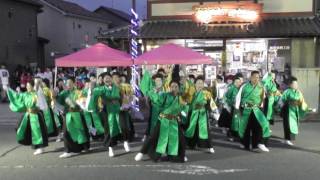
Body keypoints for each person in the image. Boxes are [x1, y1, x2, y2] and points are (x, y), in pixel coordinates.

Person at [135, 69, 188, 163]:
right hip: (163, 120)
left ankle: (180, 155)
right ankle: (142, 152)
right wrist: (154, 93)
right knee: (153, 137)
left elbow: (184, 107)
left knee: (181, 139)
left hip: (174, 121)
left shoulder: (181, 98)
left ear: (179, 88)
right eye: (172, 86)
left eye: (176, 87)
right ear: (169, 87)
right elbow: (158, 101)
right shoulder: (165, 95)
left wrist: (183, 77)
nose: (174, 88)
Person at [90, 72, 131, 157]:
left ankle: (125, 142)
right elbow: (94, 96)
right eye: (105, 78)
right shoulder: (101, 89)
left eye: (108, 77)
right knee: (109, 131)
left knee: (123, 127)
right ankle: (110, 148)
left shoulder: (118, 88)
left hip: (119, 110)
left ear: (111, 79)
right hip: (108, 111)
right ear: (103, 80)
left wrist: (125, 105)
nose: (107, 79)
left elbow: (124, 97)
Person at [5, 80, 48, 155]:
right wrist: (8, 89)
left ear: (32, 86)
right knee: (20, 128)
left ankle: (40, 147)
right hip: (28, 115)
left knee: (37, 131)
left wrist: (37, 88)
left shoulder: (36, 93)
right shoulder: (25, 94)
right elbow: (17, 96)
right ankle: (32, 143)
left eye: (29, 86)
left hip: (35, 115)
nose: (27, 87)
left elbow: (40, 103)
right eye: (27, 86)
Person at [235, 71, 271, 152]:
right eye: (254, 77)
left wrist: (261, 109)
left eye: (258, 77)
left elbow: (263, 98)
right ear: (250, 77)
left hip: (256, 109)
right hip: (245, 109)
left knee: (260, 125)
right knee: (246, 127)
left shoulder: (261, 87)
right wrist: (237, 109)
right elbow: (238, 97)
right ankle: (245, 144)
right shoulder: (244, 86)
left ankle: (258, 144)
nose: (256, 79)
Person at [55, 77, 90, 158]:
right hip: (68, 115)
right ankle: (68, 150)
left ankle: (82, 147)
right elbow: (58, 102)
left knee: (81, 131)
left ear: (74, 83)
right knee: (66, 133)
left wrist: (75, 103)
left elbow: (83, 103)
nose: (68, 85)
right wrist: (54, 96)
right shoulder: (63, 93)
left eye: (70, 83)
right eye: (67, 83)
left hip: (77, 114)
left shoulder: (78, 92)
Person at [184, 76, 216, 153]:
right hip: (192, 113)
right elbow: (186, 102)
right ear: (195, 84)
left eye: (201, 83)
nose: (200, 85)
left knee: (205, 130)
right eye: (198, 83)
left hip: (202, 114)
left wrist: (214, 111)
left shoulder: (206, 93)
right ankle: (190, 144)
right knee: (191, 129)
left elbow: (211, 103)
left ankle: (209, 146)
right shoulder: (191, 93)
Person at [280, 76, 314, 146]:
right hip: (287, 109)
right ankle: (287, 139)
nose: (296, 85)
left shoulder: (299, 92)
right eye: (294, 84)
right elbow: (281, 100)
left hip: (295, 109)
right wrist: (280, 107)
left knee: (294, 124)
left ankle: (289, 139)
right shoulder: (287, 91)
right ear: (290, 85)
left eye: (296, 84)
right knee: (287, 124)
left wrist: (308, 108)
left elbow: (302, 101)